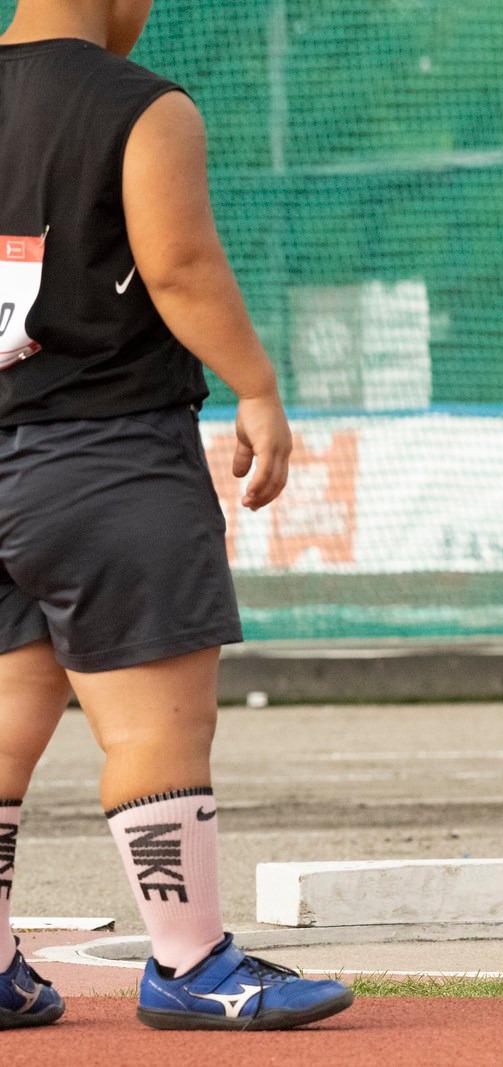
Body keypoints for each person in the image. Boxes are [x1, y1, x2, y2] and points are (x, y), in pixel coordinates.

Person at [0, 0, 351, 1030]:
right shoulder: (139, 104)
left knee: (10, 711)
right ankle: (191, 959)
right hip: (106, 449)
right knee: (157, 721)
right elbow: (179, 263)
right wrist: (256, 386)